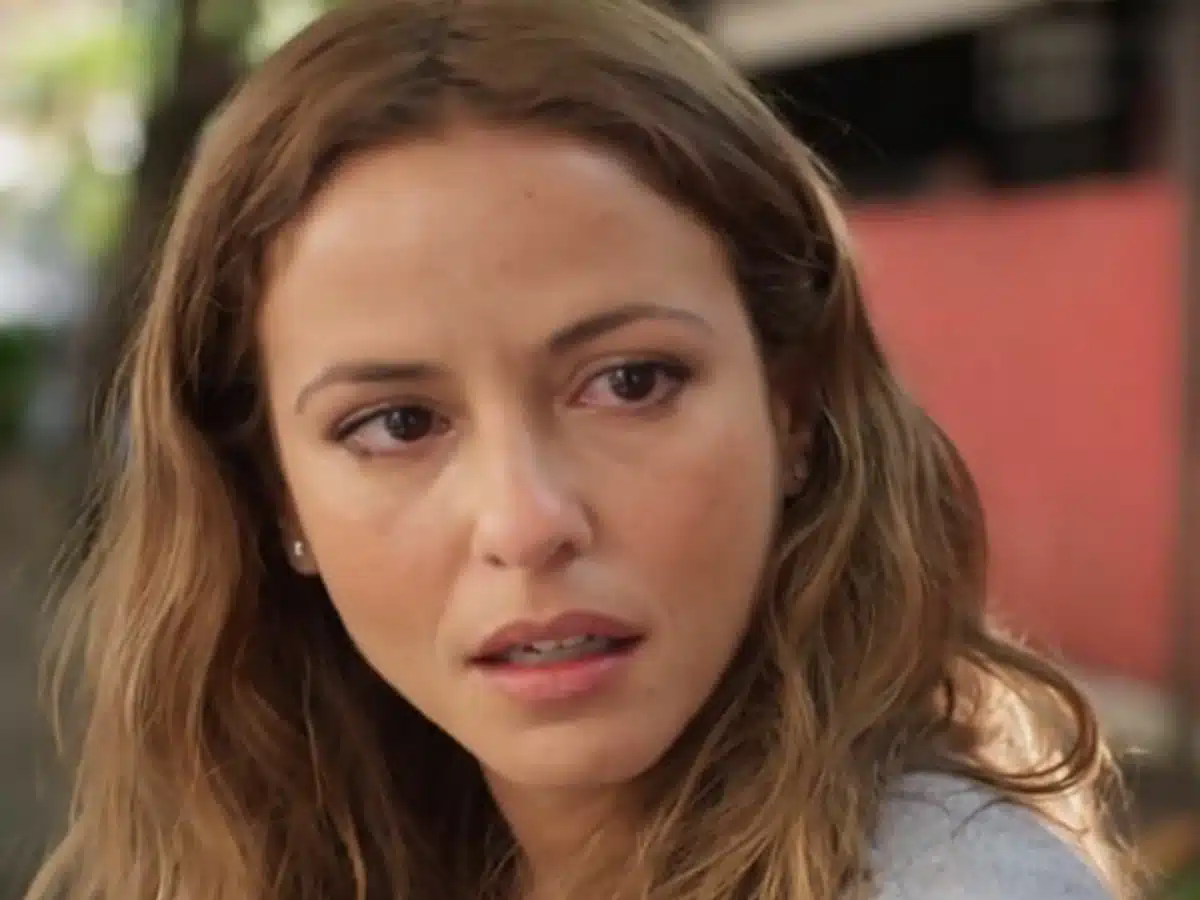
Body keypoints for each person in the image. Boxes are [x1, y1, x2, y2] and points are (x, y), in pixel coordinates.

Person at [27, 2, 1136, 899]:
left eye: (630, 382)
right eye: (398, 424)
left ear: (791, 409)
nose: (525, 521)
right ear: (275, 496)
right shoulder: (302, 844)